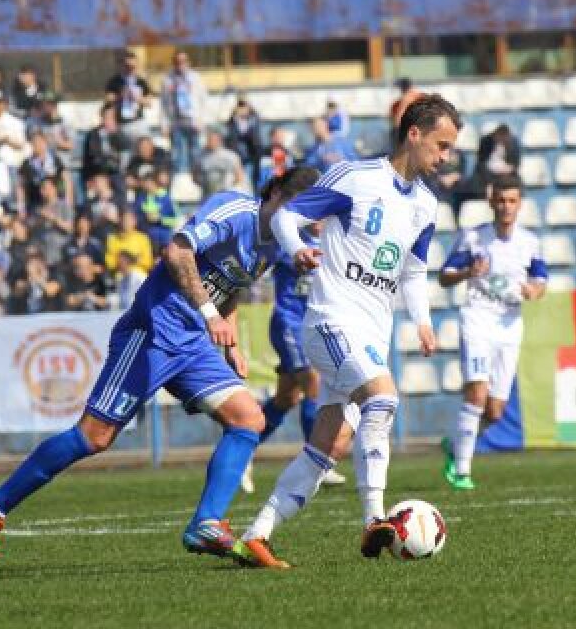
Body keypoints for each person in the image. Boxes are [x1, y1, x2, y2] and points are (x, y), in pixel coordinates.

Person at [0, 166, 320, 569]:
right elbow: (177, 252)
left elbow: (232, 287)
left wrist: (230, 341)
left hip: (194, 344)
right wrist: (209, 315)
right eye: (293, 210)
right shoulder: (235, 210)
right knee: (93, 438)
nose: (297, 223)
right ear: (274, 192)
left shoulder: (274, 245)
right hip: (153, 331)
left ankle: (207, 522)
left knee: (248, 419)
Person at [233, 95, 460, 569]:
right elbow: (286, 217)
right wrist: (296, 249)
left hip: (372, 332)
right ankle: (375, 518)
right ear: (413, 134)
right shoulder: (355, 178)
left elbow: (414, 272)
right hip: (331, 319)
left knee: (331, 444)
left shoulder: (424, 204)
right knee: (383, 399)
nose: (445, 157)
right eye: (441, 145)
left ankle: (257, 535)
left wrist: (422, 320)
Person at [438, 174, 547, 490]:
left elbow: (540, 280)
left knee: (496, 411)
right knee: (477, 392)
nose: (506, 206)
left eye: (512, 200)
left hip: (510, 325)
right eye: (500, 200)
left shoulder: (530, 242)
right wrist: (467, 272)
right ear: (491, 201)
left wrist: (533, 290)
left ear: (519, 203)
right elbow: (445, 276)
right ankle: (462, 471)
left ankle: (457, 442)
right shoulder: (474, 238)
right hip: (478, 320)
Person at [244, 225, 347, 493]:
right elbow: (256, 266)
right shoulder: (288, 240)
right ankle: (319, 462)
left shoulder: (334, 242)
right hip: (289, 324)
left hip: (314, 325)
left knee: (286, 399)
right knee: (313, 384)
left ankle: (243, 449)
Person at [160, 50, 207, 173]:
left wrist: (201, 120)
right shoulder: (167, 79)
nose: (180, 64)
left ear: (188, 62)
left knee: (195, 153)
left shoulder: (195, 77)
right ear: (173, 63)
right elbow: (164, 104)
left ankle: (196, 181)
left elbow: (203, 100)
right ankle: (180, 182)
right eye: (177, 62)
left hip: (193, 120)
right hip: (176, 121)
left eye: (183, 61)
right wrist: (164, 124)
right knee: (177, 155)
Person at [104, 50, 155, 140]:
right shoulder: (115, 81)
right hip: (122, 123)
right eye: (128, 66)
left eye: (133, 67)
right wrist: (121, 96)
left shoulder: (141, 82)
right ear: (123, 66)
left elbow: (149, 103)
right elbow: (108, 99)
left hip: (138, 121)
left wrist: (137, 98)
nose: (131, 69)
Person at [194, 128, 246, 198]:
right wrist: (204, 184)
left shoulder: (230, 156)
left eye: (214, 139)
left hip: (226, 195)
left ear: (219, 140)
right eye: (209, 139)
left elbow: (239, 176)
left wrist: (229, 187)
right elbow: (195, 175)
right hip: (208, 196)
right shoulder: (200, 156)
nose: (211, 142)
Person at [105, 209, 154, 274]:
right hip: (120, 274)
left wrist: (133, 260)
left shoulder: (143, 238)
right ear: (120, 221)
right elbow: (109, 262)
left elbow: (149, 262)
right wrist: (119, 262)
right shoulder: (112, 239)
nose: (126, 223)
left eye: (129, 220)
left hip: (139, 274)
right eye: (124, 220)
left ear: (134, 222)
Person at [226, 98, 262, 186]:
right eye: (240, 108)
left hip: (253, 147)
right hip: (239, 148)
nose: (243, 110)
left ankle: (255, 180)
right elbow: (233, 135)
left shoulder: (253, 119)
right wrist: (236, 118)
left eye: (244, 108)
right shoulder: (233, 121)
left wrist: (250, 108)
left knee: (257, 150)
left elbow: (254, 133)